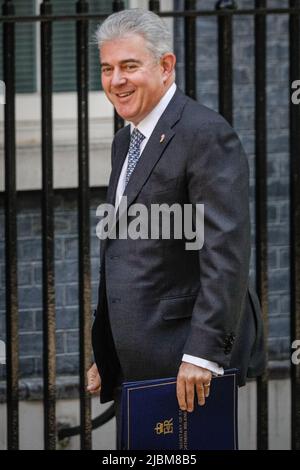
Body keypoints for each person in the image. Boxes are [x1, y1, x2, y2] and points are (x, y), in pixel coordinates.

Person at [87, 8, 265, 428]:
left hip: (187, 365)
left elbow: (226, 253)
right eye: (107, 68)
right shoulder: (125, 140)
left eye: (129, 66)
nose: (116, 80)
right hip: (139, 363)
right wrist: (110, 352)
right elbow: (124, 251)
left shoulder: (204, 134)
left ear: (166, 67)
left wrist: (203, 354)